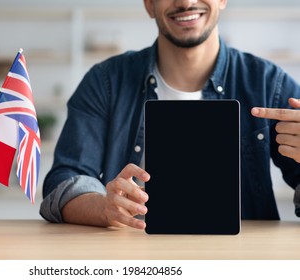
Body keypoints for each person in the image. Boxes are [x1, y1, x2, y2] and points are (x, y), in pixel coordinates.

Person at [40, 0, 300, 230]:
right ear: (149, 4)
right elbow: (64, 181)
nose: (185, 2)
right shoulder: (105, 82)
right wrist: (103, 208)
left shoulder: (270, 84)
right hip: (134, 259)